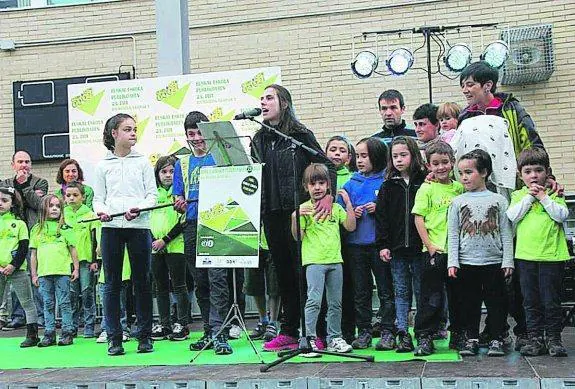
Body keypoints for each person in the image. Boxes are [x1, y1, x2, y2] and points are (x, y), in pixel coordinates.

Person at [251, 84, 336, 352]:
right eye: (261, 99)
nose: (263, 102)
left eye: (269, 98)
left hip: (300, 213)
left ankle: (317, 331)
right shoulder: (259, 139)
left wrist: (327, 196)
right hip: (272, 213)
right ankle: (289, 330)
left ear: (284, 103)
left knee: (306, 274)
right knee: (284, 274)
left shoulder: (300, 134)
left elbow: (327, 165)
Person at [93, 113, 157, 356]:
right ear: (114, 134)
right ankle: (114, 338)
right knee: (112, 284)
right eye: (128, 129)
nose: (133, 133)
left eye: (135, 129)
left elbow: (152, 195)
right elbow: (98, 200)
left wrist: (139, 208)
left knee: (142, 282)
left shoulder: (142, 162)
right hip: (111, 229)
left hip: (139, 227)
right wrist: (103, 212)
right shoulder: (102, 166)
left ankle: (145, 336)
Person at [172, 111, 233, 355]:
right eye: (191, 134)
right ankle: (208, 329)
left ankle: (221, 332)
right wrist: (180, 202)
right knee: (200, 281)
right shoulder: (182, 162)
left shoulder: (220, 157)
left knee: (217, 278)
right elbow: (178, 195)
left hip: (216, 225)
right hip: (191, 224)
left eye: (199, 133)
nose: (196, 138)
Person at [447, 149, 514, 357]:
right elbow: (453, 234)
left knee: (496, 303)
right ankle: (471, 339)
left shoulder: (499, 201)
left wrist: (507, 261)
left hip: (494, 262)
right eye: (461, 173)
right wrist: (453, 261)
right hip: (467, 262)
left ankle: (495, 339)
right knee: (469, 303)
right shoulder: (457, 202)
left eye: (469, 172)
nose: (464, 177)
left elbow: (506, 233)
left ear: (484, 172)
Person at [506, 148, 570, 357]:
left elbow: (561, 215)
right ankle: (535, 338)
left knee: (551, 300)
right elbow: (512, 216)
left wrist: (543, 197)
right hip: (526, 257)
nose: (533, 175)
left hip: (552, 257)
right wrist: (529, 198)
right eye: (528, 171)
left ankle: (554, 338)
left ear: (547, 172)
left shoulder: (554, 194)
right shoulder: (518, 195)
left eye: (538, 170)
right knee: (530, 300)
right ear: (520, 174)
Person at [294, 163, 356, 356]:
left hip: (335, 261)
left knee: (335, 302)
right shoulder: (304, 209)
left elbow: (350, 226)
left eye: (321, 183)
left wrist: (348, 204)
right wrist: (294, 217)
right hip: (314, 262)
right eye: (313, 184)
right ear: (306, 187)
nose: (318, 187)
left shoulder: (336, 208)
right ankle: (309, 339)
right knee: (313, 301)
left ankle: (334, 338)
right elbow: (298, 237)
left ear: (328, 185)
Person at [339, 137, 395, 350]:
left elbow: (397, 212)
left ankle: (388, 330)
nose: (360, 160)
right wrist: (353, 211)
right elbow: (340, 214)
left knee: (385, 290)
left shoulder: (388, 181)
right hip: (355, 246)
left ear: (378, 156)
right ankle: (363, 331)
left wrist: (379, 208)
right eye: (358, 156)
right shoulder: (350, 183)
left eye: (365, 156)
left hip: (380, 246)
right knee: (361, 291)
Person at [412, 141, 464, 356]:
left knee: (458, 295)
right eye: (435, 163)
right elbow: (418, 218)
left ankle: (459, 334)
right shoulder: (427, 188)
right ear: (428, 165)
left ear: (452, 163)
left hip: (457, 253)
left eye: (445, 162)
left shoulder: (459, 188)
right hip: (435, 251)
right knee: (431, 297)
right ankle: (425, 336)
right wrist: (429, 245)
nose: (441, 167)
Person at [376, 136, 427, 352]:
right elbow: (382, 218)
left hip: (419, 248)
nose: (398, 160)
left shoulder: (424, 182)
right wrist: (383, 244)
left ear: (413, 155)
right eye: (394, 156)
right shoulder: (388, 186)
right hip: (397, 249)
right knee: (401, 291)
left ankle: (424, 333)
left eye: (403, 155)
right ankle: (403, 332)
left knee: (421, 290)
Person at [0, 150, 47, 331]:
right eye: (20, 162)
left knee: (34, 279)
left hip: (32, 235)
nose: (24, 165)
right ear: (13, 165)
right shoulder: (5, 184)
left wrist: (25, 185)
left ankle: (39, 317)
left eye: (27, 161)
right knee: (14, 284)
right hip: (11, 239)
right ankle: (18, 317)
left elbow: (38, 204)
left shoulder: (39, 182)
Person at [30, 195, 79, 347]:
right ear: (44, 208)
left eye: (58, 206)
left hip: (62, 271)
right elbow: (33, 254)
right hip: (44, 273)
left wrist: (76, 268)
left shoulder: (65, 227)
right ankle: (49, 333)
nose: (54, 209)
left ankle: (67, 333)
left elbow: (73, 249)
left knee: (65, 303)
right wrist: (34, 273)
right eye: (51, 206)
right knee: (47, 303)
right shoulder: (37, 229)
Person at [150, 155, 189, 342]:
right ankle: (164, 323)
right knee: (160, 287)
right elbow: (145, 219)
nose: (167, 175)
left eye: (172, 171)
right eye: (163, 171)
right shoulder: (152, 193)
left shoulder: (180, 192)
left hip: (176, 246)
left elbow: (184, 221)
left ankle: (182, 323)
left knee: (179, 285)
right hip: (155, 248)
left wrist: (165, 240)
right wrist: (154, 241)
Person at [325, 135, 357, 343]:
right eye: (333, 149)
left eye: (342, 150)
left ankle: (347, 330)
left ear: (349, 156)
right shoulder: (319, 176)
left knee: (347, 285)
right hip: (324, 241)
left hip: (347, 237)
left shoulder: (353, 178)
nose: (337, 153)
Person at [0, 186, 39, 347]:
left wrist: (13, 265)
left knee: (27, 302)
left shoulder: (19, 224)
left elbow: (24, 247)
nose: (0, 203)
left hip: (17, 269)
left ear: (13, 203)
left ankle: (32, 334)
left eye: (4, 200)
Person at [63, 181, 100, 338]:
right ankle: (71, 326)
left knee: (87, 293)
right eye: (68, 195)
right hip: (67, 262)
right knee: (71, 295)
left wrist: (95, 260)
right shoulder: (62, 215)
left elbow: (95, 239)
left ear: (83, 197)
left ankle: (89, 325)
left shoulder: (91, 215)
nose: (71, 198)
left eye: (75, 195)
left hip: (85, 262)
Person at [245, 229, 280, 342]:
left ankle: (273, 323)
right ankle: (263, 320)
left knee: (274, 286)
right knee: (254, 285)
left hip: (272, 242)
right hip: (252, 243)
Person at [96, 250, 131, 343]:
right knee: (106, 305)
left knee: (120, 304)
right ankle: (105, 330)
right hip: (106, 274)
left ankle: (123, 330)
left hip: (122, 272)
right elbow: (99, 252)